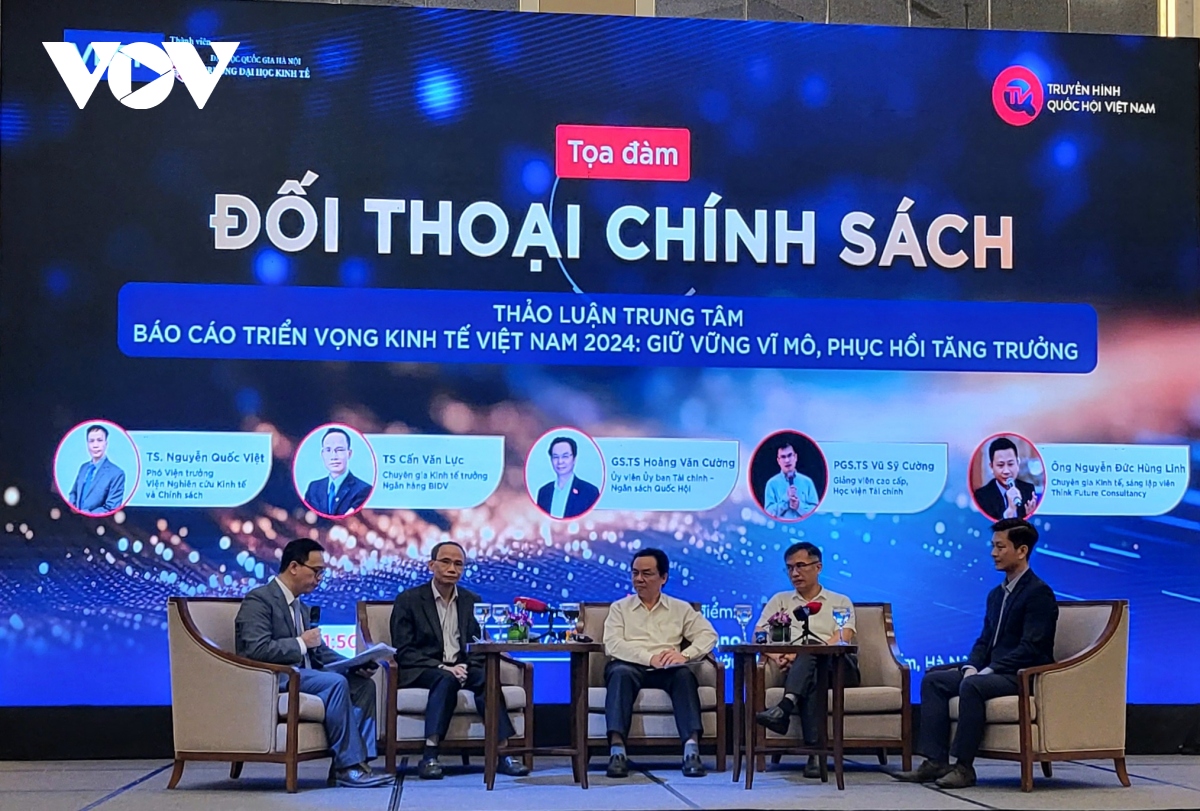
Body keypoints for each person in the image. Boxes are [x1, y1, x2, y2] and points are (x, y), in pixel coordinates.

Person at [896, 518, 1058, 789]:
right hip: (992, 671)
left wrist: (988, 670)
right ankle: (935, 761)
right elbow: (984, 640)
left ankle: (964, 767)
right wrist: (972, 666)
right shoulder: (996, 594)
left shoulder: (1039, 593)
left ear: (1022, 551)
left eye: (1000, 547)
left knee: (972, 685)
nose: (993, 553)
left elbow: (1031, 647)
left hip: (1021, 674)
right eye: (993, 546)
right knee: (934, 681)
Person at [234, 538, 390, 788]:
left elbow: (319, 652)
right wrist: (300, 642)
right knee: (335, 683)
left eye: (322, 572)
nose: (319, 579)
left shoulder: (301, 606)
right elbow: (256, 649)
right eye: (316, 571)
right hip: (275, 677)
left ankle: (356, 763)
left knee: (362, 685)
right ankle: (348, 767)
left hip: (305, 676)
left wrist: (355, 663)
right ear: (294, 567)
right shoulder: (259, 600)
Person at [389, 541, 530, 780]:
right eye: (445, 562)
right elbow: (404, 650)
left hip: (462, 666)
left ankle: (504, 753)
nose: (452, 568)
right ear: (431, 565)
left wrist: (465, 665)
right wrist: (443, 667)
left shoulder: (471, 600)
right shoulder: (409, 600)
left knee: (487, 679)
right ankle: (430, 755)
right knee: (445, 679)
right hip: (424, 668)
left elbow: (477, 643)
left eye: (458, 564)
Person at [602, 548, 718, 779]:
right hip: (630, 665)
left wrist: (685, 655)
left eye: (646, 573)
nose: (639, 579)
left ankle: (691, 751)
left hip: (667, 668)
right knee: (619, 673)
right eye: (635, 573)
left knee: (684, 675)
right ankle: (617, 752)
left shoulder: (680, 608)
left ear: (663, 577)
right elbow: (612, 644)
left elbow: (709, 635)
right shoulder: (619, 608)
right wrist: (648, 658)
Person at [753, 542, 861, 778]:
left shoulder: (839, 601)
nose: (795, 573)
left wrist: (801, 653)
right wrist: (778, 657)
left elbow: (844, 636)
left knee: (810, 650)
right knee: (812, 680)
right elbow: (758, 635)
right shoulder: (780, 600)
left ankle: (785, 707)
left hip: (840, 668)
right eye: (790, 568)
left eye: (800, 566)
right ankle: (815, 755)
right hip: (802, 671)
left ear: (818, 567)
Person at [303, 428, 372, 516]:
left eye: (339, 450)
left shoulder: (363, 489)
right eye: (328, 450)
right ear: (323, 454)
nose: (334, 456)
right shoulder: (313, 487)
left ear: (349, 453)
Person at [973, 437, 1038, 521]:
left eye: (1010, 464)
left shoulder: (1028, 489)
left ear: (1017, 464)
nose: (1006, 471)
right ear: (991, 467)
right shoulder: (982, 496)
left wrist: (1030, 515)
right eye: (1000, 465)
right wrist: (1010, 511)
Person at [534, 436, 600, 519]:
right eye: (555, 457)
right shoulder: (543, 492)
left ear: (574, 459)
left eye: (565, 456)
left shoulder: (589, 492)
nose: (560, 461)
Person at [67, 424, 125, 515]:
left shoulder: (117, 473)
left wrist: (86, 514)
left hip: (99, 521)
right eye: (91, 441)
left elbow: (111, 507)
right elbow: (73, 493)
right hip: (75, 519)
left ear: (106, 443)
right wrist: (74, 509)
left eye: (99, 440)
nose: (95, 445)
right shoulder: (83, 467)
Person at [763, 440, 819, 519]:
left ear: (795, 457)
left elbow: (816, 512)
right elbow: (769, 513)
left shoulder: (807, 482)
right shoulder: (771, 484)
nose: (787, 460)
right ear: (778, 461)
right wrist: (786, 498)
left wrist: (799, 506)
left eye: (789, 455)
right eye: (783, 457)